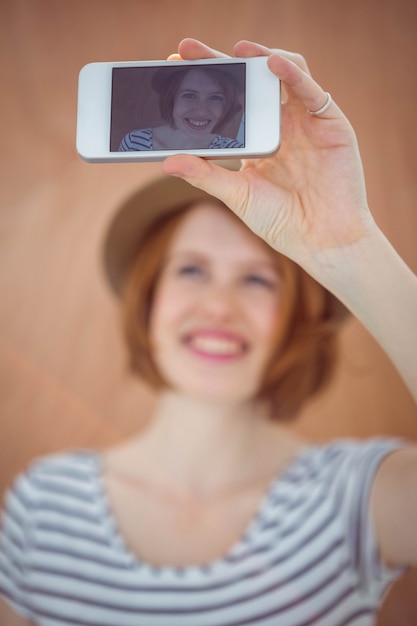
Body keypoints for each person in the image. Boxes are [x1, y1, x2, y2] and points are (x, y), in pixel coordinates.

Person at [0, 37, 416, 626]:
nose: (219, 307)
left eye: (258, 281)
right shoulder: (44, 505)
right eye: (192, 269)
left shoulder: (361, 500)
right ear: (146, 301)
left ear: (295, 320)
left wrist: (350, 245)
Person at [119, 64, 244, 151]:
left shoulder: (234, 150)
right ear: (171, 100)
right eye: (189, 96)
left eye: (215, 98)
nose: (201, 111)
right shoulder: (134, 142)